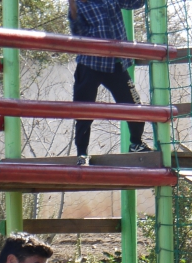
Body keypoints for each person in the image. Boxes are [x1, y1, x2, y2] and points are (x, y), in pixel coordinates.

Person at [69, 0, 152, 166]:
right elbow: (77, 31)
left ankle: (136, 142)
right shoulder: (79, 3)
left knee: (133, 104)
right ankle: (82, 154)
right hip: (89, 63)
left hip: (114, 64)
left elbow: (134, 3)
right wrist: (73, 8)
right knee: (84, 111)